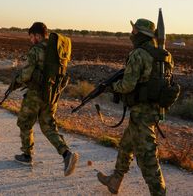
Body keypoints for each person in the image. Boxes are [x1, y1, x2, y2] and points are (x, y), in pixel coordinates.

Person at [97, 19, 173, 196]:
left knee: (148, 159)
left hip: (141, 114)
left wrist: (111, 87)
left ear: (140, 33)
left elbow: (128, 85)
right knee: (125, 146)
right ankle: (115, 180)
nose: (131, 34)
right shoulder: (165, 54)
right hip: (153, 111)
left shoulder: (138, 54)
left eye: (133, 31)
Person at [12, 22, 79, 176]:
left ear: (37, 35)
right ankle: (67, 154)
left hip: (35, 94)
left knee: (24, 122)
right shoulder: (57, 50)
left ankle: (27, 155)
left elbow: (26, 74)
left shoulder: (36, 50)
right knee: (48, 126)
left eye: (31, 37)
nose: (31, 40)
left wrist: (17, 81)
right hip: (52, 94)